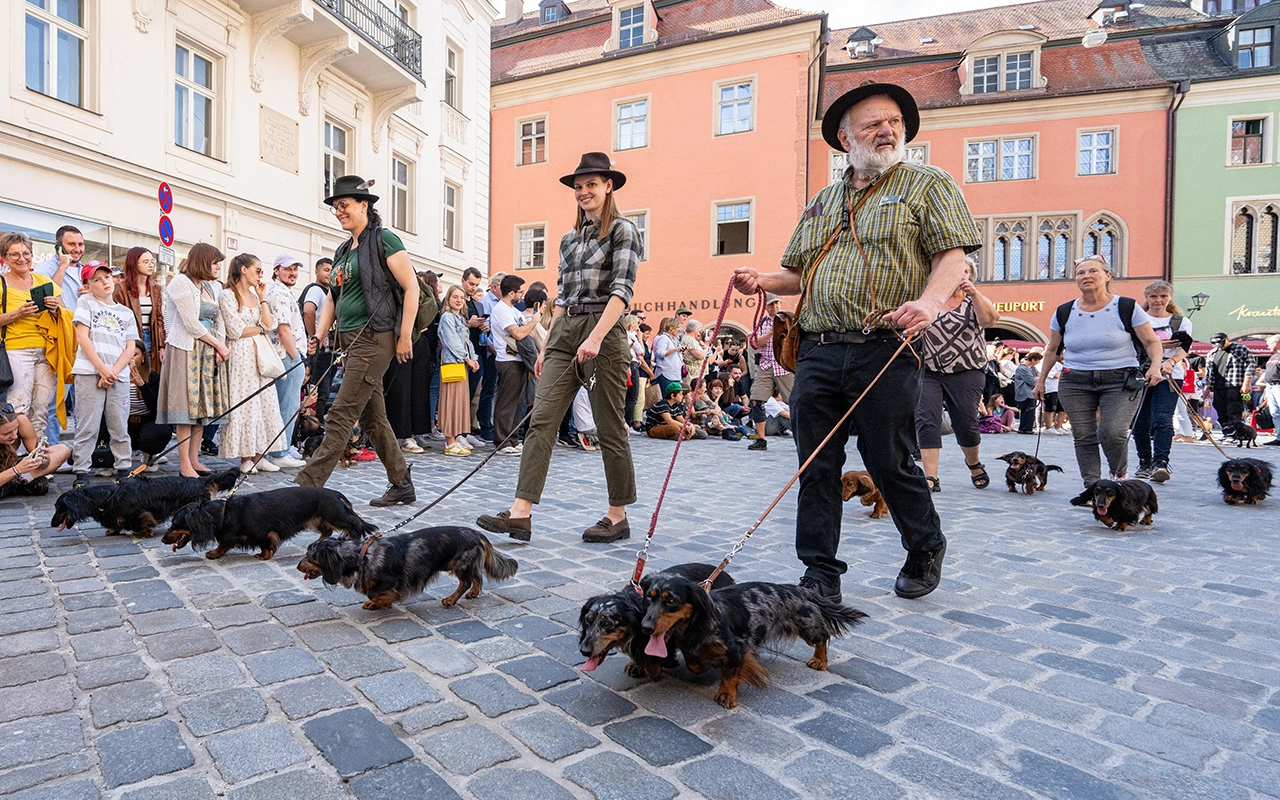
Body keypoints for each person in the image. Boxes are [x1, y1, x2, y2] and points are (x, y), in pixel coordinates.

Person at [732, 82, 981, 602]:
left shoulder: (927, 183)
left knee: (887, 459)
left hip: (885, 346)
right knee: (815, 463)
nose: (887, 130)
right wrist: (761, 280)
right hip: (818, 348)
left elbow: (951, 257)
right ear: (846, 139)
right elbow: (796, 274)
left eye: (893, 121)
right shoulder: (823, 201)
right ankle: (820, 574)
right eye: (872, 124)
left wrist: (931, 304)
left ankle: (925, 543)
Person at [477, 152, 641, 544]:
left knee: (608, 426)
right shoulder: (569, 239)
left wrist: (597, 337)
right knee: (541, 421)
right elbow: (562, 297)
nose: (583, 191)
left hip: (605, 328)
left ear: (608, 186)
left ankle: (617, 515)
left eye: (591, 185)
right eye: (578, 186)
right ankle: (521, 513)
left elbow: (622, 291)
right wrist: (549, 344)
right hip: (566, 330)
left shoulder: (623, 230)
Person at [297, 175, 420, 506]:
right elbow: (332, 299)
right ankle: (401, 483)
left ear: (364, 205)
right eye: (336, 207)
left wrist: (404, 335)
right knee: (371, 417)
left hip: (374, 337)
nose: (339, 212)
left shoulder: (385, 240)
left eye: (344, 205)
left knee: (340, 413)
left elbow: (412, 288)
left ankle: (305, 489)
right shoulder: (342, 249)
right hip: (348, 340)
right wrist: (319, 334)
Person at [1034, 255, 1163, 502]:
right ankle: (1093, 488)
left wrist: (1155, 366)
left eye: (1093, 271)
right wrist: (1040, 381)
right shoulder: (1064, 311)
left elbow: (1150, 341)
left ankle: (1119, 477)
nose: (1086, 276)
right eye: (1081, 273)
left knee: (1112, 432)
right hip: (1075, 380)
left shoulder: (1125, 306)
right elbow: (1052, 349)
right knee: (1083, 435)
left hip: (1120, 379)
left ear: (1107, 275)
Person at [915, 259, 999, 491]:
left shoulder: (976, 302)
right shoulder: (928, 299)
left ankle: (973, 463)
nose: (959, 275)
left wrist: (974, 294)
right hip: (928, 370)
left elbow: (989, 320)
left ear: (971, 275)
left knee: (965, 422)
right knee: (927, 419)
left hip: (967, 370)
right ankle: (931, 477)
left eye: (965, 271)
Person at [156, 243, 230, 478]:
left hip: (207, 351)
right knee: (186, 409)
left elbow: (220, 320)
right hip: (186, 350)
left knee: (200, 409)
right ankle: (184, 464)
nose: (218, 267)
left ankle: (195, 459)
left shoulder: (208, 286)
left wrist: (220, 346)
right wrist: (218, 344)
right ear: (202, 261)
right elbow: (190, 323)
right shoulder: (180, 282)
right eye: (214, 262)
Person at [70, 262, 138, 487]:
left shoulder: (126, 312)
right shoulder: (86, 303)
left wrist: (113, 372)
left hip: (118, 375)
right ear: (88, 285)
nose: (104, 282)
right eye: (96, 280)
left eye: (107, 277)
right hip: (90, 372)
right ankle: (81, 471)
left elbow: (130, 348)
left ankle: (123, 469)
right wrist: (101, 369)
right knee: (87, 425)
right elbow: (83, 338)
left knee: (119, 424)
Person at [218, 254, 287, 474]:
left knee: (265, 402)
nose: (260, 275)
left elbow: (270, 323)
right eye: (257, 270)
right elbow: (235, 330)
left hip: (260, 354)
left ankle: (260, 455)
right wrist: (261, 330)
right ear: (243, 269)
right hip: (241, 354)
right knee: (245, 402)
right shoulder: (228, 295)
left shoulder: (255, 296)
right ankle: (245, 457)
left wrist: (263, 298)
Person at [0, 233, 71, 422]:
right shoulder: (1, 283)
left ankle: (36, 451)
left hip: (48, 351)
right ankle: (15, 452)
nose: (22, 258)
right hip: (15, 350)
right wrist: (17, 314)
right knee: (18, 407)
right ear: (5, 258)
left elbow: (66, 315)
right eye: (14, 254)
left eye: (26, 253)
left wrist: (55, 309)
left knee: (41, 409)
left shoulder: (44, 281)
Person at [1132, 280, 1192, 482]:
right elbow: (1133, 344)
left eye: (1163, 296)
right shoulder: (1139, 318)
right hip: (1141, 373)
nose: (1158, 300)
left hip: (1169, 375)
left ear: (1170, 298)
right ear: (1147, 298)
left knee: (1163, 418)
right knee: (1140, 420)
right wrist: (1157, 344)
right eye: (1154, 296)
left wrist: (1172, 361)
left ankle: (1161, 463)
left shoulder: (1180, 321)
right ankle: (1144, 461)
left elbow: (1184, 347)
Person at [263, 254, 308, 469]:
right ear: (276, 271)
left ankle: (279, 449)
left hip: (284, 355)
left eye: (295, 269)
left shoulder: (280, 292)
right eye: (287, 269)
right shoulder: (280, 294)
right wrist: (296, 357)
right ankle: (279, 451)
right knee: (287, 406)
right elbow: (283, 329)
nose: (293, 273)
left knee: (282, 405)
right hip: (287, 355)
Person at [489, 274, 541, 454]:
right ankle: (502, 441)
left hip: (519, 360)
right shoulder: (501, 310)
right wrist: (534, 321)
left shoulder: (513, 310)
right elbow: (518, 334)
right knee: (507, 401)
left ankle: (512, 438)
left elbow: (529, 333)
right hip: (508, 359)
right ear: (511, 293)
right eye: (520, 291)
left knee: (517, 402)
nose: (522, 295)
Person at [747, 294, 793, 452]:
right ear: (765, 307)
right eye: (770, 305)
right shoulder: (762, 323)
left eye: (776, 304)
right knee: (756, 400)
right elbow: (754, 343)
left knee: (795, 400)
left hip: (783, 365)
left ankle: (805, 437)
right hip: (766, 365)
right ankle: (761, 439)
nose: (774, 307)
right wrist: (772, 333)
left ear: (780, 303)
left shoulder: (788, 319)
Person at [438, 285, 480, 456]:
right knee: (451, 403)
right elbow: (452, 342)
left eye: (461, 298)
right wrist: (467, 358)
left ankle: (455, 439)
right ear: (448, 299)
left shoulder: (460, 318)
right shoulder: (447, 317)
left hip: (462, 364)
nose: (459, 300)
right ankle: (449, 442)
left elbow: (466, 341)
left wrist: (473, 357)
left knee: (459, 403)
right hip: (453, 363)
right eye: (455, 297)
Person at [113, 247, 167, 377]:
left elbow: (159, 318)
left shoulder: (155, 288)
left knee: (149, 375)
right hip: (131, 338)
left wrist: (161, 346)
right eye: (145, 262)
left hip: (151, 336)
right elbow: (117, 318)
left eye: (152, 262)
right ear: (134, 264)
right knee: (131, 374)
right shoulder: (121, 288)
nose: (151, 265)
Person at [0, 405, 70, 499]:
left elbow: (40, 462)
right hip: (12, 472)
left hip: (12, 469)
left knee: (62, 449)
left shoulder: (21, 421)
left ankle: (16, 483)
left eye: (15, 429)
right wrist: (17, 470)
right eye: (6, 434)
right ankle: (17, 485)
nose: (14, 436)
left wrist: (44, 459)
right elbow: (18, 469)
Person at [475, 272, 507, 443]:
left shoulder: (503, 303)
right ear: (495, 287)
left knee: (495, 390)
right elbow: (483, 329)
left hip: (500, 352)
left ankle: (491, 423)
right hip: (490, 353)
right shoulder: (486, 303)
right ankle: (485, 426)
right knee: (487, 390)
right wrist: (492, 347)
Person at [300, 257, 334, 421]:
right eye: (326, 270)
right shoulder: (316, 289)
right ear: (316, 271)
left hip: (326, 351)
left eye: (331, 270)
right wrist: (315, 338)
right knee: (320, 392)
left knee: (322, 392)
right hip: (320, 351)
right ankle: (315, 430)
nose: (329, 273)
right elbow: (308, 310)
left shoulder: (327, 292)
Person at [1207, 331, 1254, 437]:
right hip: (1218, 386)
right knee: (1219, 407)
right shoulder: (1212, 353)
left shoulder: (1241, 349)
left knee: (1234, 409)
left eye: (1220, 342)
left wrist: (1246, 383)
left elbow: (1250, 366)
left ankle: (1237, 433)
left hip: (1235, 384)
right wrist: (1207, 387)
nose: (1218, 345)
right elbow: (1209, 372)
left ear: (1227, 339)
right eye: (1214, 343)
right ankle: (1227, 431)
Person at [1014, 351, 1042, 434]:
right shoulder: (1022, 368)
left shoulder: (1032, 368)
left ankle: (1026, 427)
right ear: (1033, 359)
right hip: (1025, 392)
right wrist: (1036, 379)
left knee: (1030, 411)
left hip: (1030, 392)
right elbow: (1031, 380)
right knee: (1027, 411)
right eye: (1038, 360)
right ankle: (1026, 428)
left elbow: (1039, 375)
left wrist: (1036, 378)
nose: (1039, 362)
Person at [651, 317, 684, 387]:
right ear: (672, 327)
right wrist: (675, 349)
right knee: (666, 396)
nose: (679, 330)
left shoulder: (675, 340)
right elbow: (660, 353)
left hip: (676, 374)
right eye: (677, 327)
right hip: (666, 374)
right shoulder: (663, 338)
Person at [1262, 334, 1280, 446]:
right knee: (1275, 413)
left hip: (1278, 385)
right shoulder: (1274, 356)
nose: (1268, 347)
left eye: (1269, 344)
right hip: (1270, 387)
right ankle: (1279, 437)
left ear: (1277, 342)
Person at [680, 319, 707, 385]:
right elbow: (699, 355)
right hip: (692, 373)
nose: (700, 330)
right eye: (699, 328)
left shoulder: (692, 340)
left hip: (696, 372)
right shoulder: (689, 340)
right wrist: (706, 349)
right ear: (694, 329)